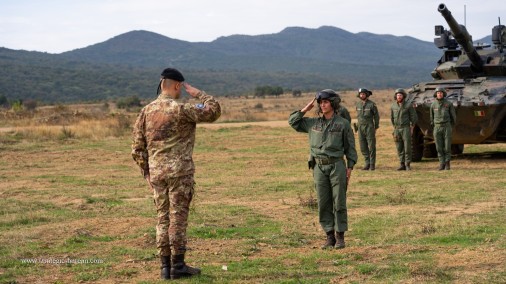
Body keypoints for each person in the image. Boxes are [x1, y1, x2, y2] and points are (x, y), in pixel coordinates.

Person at [131, 68, 221, 280]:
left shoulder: (146, 111)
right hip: (180, 172)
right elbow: (214, 111)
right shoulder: (182, 108)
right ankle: (178, 266)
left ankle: (164, 267)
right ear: (177, 85)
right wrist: (199, 94)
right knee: (178, 218)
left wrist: (147, 173)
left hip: (157, 173)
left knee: (162, 218)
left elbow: (136, 148)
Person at [288, 89, 357, 250]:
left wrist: (350, 167)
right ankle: (329, 236)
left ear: (333, 103)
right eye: (320, 102)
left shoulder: (343, 124)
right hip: (318, 166)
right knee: (323, 202)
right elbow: (293, 122)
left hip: (337, 166)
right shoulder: (313, 123)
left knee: (339, 201)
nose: (322, 105)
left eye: (325, 102)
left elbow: (350, 148)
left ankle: (340, 236)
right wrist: (306, 108)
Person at [390, 88, 418, 171]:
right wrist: (395, 127)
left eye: (400, 95)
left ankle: (407, 164)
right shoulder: (393, 106)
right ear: (396, 96)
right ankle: (402, 164)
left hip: (406, 128)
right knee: (399, 147)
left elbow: (414, 117)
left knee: (407, 147)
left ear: (403, 96)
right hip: (397, 129)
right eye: (398, 95)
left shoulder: (408, 105)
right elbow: (392, 118)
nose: (399, 96)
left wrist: (412, 127)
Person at [430, 87, 456, 170]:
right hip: (437, 127)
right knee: (438, 147)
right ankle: (441, 163)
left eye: (441, 93)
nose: (439, 94)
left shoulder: (448, 104)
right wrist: (434, 126)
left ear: (443, 94)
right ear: (436, 94)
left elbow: (453, 117)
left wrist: (450, 126)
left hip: (446, 126)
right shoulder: (433, 104)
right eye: (438, 93)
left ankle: (447, 163)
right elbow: (431, 117)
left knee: (447, 146)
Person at [355, 88, 380, 170]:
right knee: (363, 146)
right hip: (360, 127)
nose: (362, 95)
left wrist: (376, 127)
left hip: (369, 126)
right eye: (360, 94)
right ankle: (367, 163)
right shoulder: (358, 104)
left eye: (363, 94)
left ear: (366, 95)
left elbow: (376, 116)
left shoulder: (372, 104)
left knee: (371, 146)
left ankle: (372, 164)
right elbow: (358, 116)